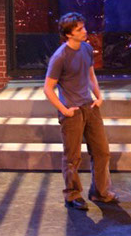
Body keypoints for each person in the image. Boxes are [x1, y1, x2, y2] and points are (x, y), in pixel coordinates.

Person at [44, 12, 118, 211]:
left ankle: (100, 192)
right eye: (79, 29)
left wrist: (99, 96)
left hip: (90, 107)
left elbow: (91, 75)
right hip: (72, 111)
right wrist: (64, 110)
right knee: (72, 157)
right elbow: (48, 88)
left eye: (83, 27)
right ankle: (72, 195)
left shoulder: (86, 48)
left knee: (102, 151)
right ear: (69, 34)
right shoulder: (60, 57)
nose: (85, 31)